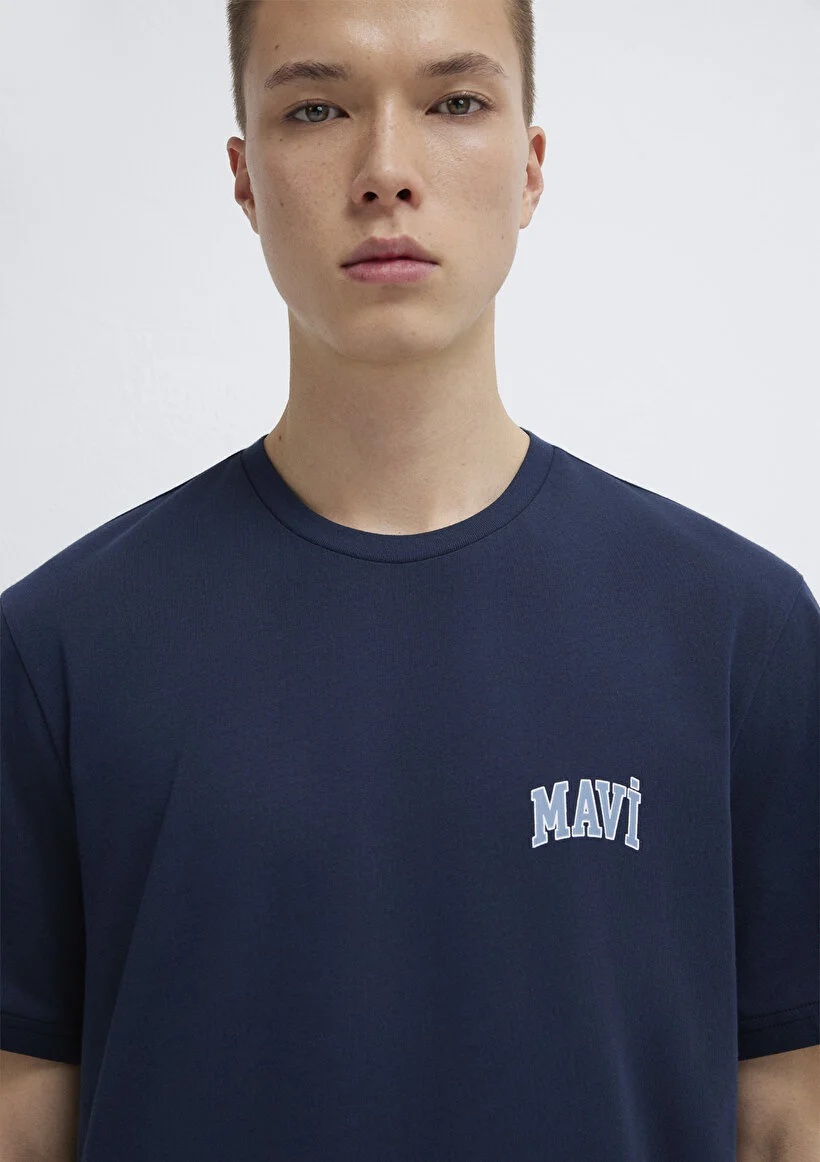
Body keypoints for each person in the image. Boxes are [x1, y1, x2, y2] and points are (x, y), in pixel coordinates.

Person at [1, 1, 817, 1159]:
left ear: (530, 166)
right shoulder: (57, 651)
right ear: (243, 176)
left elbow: (787, 1116)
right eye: (316, 109)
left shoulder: (740, 634)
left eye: (455, 102)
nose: (386, 170)